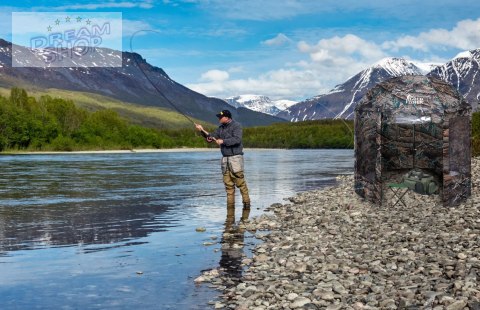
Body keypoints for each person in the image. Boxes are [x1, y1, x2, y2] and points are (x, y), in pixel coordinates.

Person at [195, 110, 251, 210]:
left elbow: (237, 140)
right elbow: (211, 137)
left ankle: (247, 206)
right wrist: (202, 130)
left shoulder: (236, 126)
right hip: (225, 159)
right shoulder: (220, 128)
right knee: (228, 186)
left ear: (227, 117)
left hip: (235, 158)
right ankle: (230, 209)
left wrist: (223, 141)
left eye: (221, 117)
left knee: (241, 184)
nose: (219, 119)